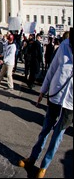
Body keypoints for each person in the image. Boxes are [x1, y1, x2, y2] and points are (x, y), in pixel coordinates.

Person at [18, 28, 73, 178]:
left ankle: (44, 166)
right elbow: (53, 68)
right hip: (56, 96)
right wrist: (43, 90)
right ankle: (32, 159)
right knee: (44, 131)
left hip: (70, 104)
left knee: (57, 137)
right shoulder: (64, 45)